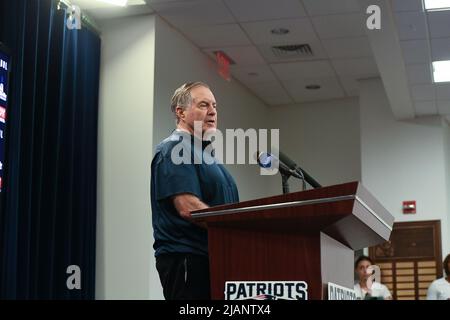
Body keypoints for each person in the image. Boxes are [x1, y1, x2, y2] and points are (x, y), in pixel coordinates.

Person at [151, 82, 239, 300]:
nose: (212, 112)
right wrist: (233, 230)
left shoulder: (207, 156)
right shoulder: (174, 149)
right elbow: (188, 208)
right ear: (180, 112)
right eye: (203, 105)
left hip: (216, 259)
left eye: (215, 106)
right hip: (189, 260)